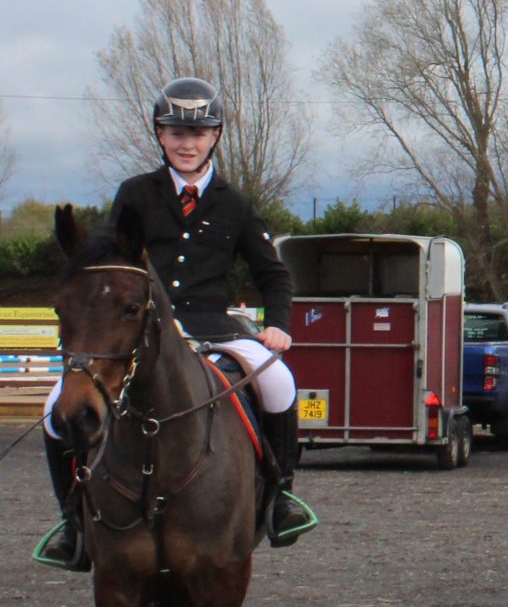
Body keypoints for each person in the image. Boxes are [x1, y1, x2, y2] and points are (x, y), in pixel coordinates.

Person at [38, 77, 314, 571]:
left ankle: (280, 498)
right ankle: (71, 522)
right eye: (176, 133)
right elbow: (107, 256)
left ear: (215, 136)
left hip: (214, 329)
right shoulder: (135, 194)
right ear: (160, 135)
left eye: (198, 134)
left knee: (279, 382)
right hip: (144, 331)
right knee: (54, 407)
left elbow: (273, 274)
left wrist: (278, 324)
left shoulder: (234, 203)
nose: (187, 144)